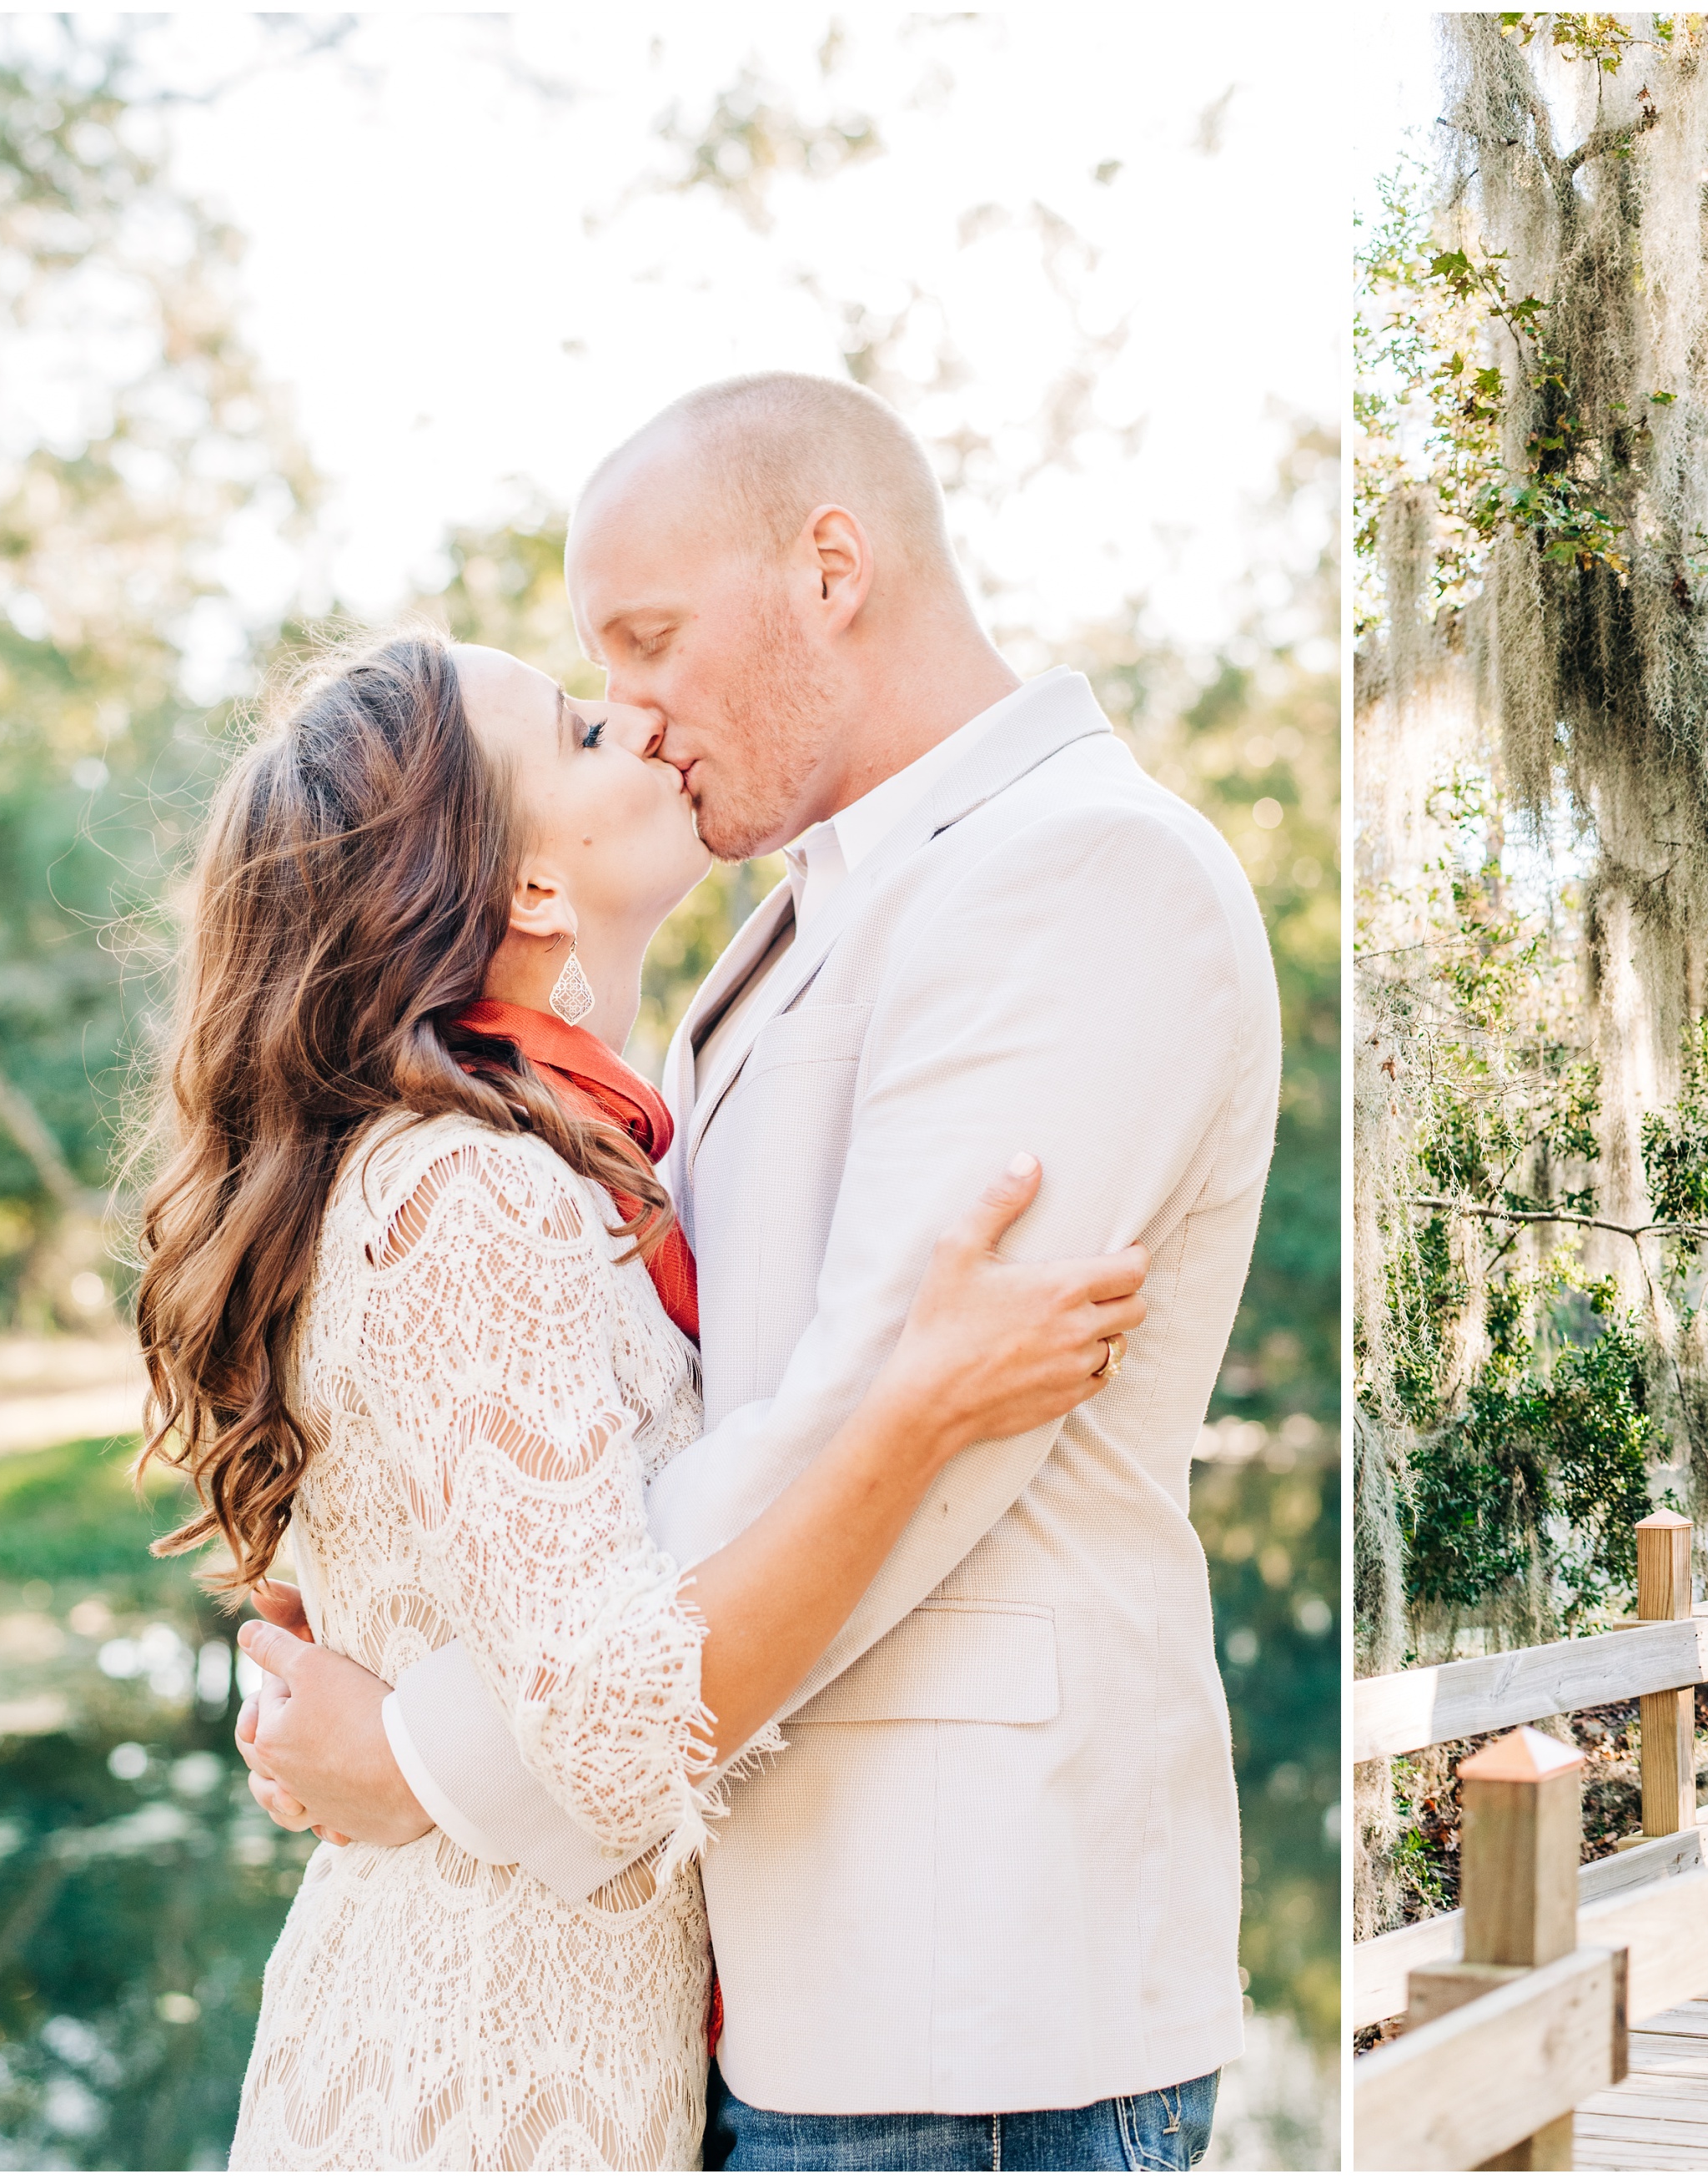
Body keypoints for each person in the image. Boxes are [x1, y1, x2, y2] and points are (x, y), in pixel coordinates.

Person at [228, 374, 1280, 2170]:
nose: (633, 715)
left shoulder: (1078, 872)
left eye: (647, 642)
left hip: (964, 1998)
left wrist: (427, 1752)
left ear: (830, 568)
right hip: (772, 1983)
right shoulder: (802, 919)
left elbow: (896, 1439)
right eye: (590, 687)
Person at [138, 630, 1149, 2167]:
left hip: (531, 2038)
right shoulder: (466, 1191)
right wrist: (916, 1411)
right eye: (585, 730)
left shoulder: (519, 1159)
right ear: (532, 888)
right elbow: (611, 1728)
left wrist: (396, 1736)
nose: (645, 725)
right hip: (482, 2087)